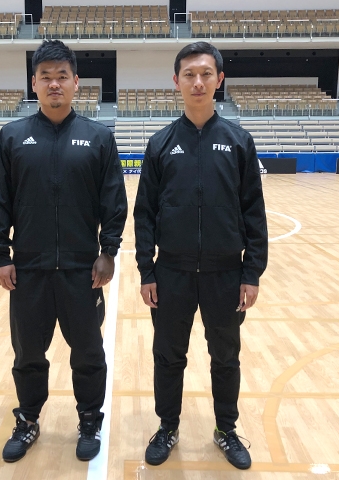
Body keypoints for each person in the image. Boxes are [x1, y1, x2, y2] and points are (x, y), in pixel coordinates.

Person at [0, 39, 128, 463]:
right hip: (28, 272)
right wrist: (1, 254)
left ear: (76, 83)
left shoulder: (98, 138)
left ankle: (89, 420)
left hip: (82, 273)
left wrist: (109, 251)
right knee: (29, 353)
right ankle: (28, 419)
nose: (53, 84)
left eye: (61, 76)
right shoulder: (13, 137)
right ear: (34, 82)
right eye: (45, 76)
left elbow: (114, 202)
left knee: (87, 353)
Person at [134, 41, 268, 470]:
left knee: (225, 356)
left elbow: (254, 213)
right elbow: (145, 213)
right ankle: (168, 426)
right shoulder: (160, 143)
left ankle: (226, 429)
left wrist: (252, 273)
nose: (198, 82)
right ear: (176, 82)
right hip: (170, 272)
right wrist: (146, 270)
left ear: (219, 80)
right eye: (189, 74)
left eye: (206, 74)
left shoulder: (239, 142)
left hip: (225, 275)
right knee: (168, 356)